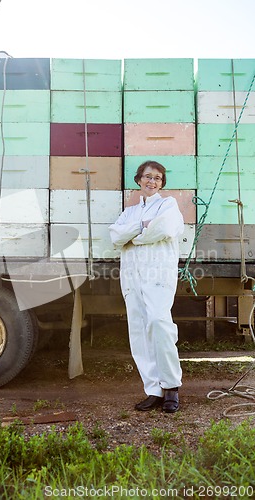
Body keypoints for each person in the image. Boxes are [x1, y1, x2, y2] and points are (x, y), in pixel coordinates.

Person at [109, 160, 184, 413]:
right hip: (132, 276)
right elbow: (115, 237)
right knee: (139, 331)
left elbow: (163, 228)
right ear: (139, 180)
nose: (152, 182)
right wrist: (141, 227)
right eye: (148, 177)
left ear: (162, 183)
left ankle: (171, 387)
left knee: (159, 323)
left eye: (158, 178)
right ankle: (153, 390)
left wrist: (132, 236)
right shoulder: (129, 212)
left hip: (158, 274)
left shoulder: (168, 205)